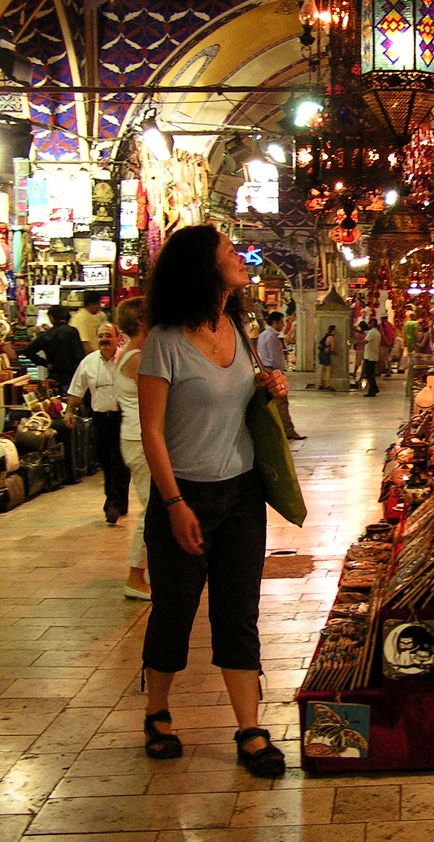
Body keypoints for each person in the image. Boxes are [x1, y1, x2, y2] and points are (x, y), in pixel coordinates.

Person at [137, 223, 288, 778]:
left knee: (238, 611)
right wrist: (174, 503)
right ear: (204, 266)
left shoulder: (237, 327)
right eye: (229, 251)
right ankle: (157, 712)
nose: (240, 256)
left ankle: (250, 728)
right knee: (175, 610)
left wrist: (269, 384)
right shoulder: (165, 340)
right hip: (186, 494)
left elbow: (241, 399)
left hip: (242, 491)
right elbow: (152, 431)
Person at [63, 322, 130, 524]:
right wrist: (68, 411)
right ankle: (118, 502)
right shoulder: (88, 363)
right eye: (101, 336)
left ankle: (113, 503)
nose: (104, 340)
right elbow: (77, 389)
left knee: (120, 461)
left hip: (123, 418)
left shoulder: (127, 360)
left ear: (118, 338)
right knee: (106, 462)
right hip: (100, 419)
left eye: (108, 335)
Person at [114, 297, 151, 599]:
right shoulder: (136, 358)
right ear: (141, 322)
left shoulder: (134, 353)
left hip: (138, 437)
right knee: (152, 510)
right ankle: (135, 576)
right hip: (140, 440)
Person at [257, 311, 305, 440]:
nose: (283, 325)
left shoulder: (263, 335)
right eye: (281, 322)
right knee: (281, 403)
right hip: (273, 370)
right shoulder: (271, 337)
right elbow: (275, 357)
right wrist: (280, 372)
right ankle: (287, 430)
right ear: (275, 322)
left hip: (266, 369)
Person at [23, 304, 84, 394]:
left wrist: (44, 363)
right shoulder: (72, 331)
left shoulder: (46, 334)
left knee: (55, 403)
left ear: (51, 317)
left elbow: (28, 351)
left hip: (53, 376)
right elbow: (79, 356)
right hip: (72, 376)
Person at [362, 316, 381, 398]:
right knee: (371, 373)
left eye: (369, 323)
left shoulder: (372, 332)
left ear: (372, 323)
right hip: (374, 355)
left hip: (369, 356)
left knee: (369, 374)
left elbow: (366, 341)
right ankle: (375, 388)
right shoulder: (376, 332)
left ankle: (371, 391)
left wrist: (355, 342)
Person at [317, 325, 337, 391]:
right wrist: (335, 353)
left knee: (321, 369)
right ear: (333, 330)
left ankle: (320, 384)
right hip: (326, 355)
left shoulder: (326, 336)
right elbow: (332, 349)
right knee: (328, 370)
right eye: (335, 330)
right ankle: (328, 385)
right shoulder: (331, 338)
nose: (336, 331)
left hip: (320, 353)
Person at [351, 319, 368, 385]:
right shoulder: (366, 333)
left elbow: (356, 341)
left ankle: (355, 372)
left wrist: (356, 342)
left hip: (360, 349)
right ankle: (362, 374)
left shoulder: (359, 334)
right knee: (364, 362)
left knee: (358, 362)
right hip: (365, 349)